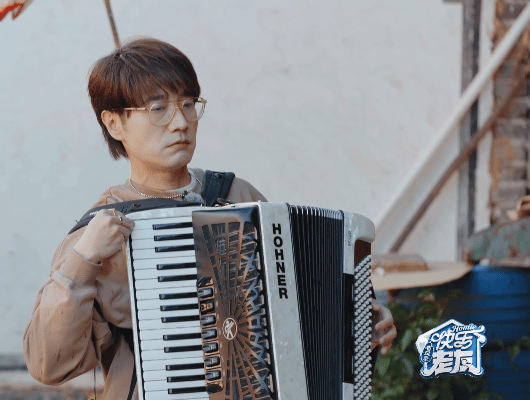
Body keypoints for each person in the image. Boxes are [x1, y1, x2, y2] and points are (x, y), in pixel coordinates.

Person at [23, 37, 397, 399]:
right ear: (114, 123)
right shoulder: (97, 235)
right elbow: (47, 365)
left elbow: (291, 314)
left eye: (188, 104)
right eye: (158, 109)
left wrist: (356, 328)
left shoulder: (239, 197)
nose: (180, 123)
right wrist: (82, 262)